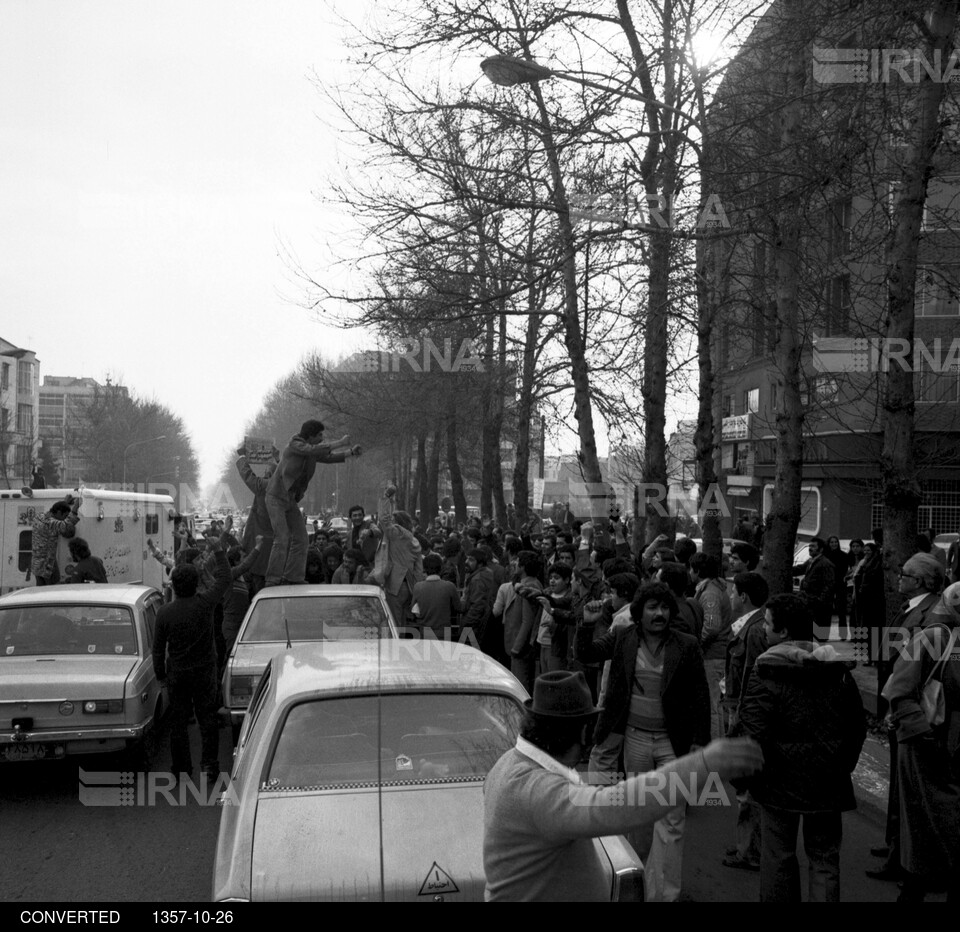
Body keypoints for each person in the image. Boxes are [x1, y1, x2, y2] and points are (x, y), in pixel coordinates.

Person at [482, 669, 764, 901]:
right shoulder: (535, 790)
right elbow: (616, 804)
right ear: (583, 731)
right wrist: (701, 765)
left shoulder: (510, 763)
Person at [574, 581, 711, 901]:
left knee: (672, 820)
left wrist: (699, 740)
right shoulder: (624, 637)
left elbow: (700, 695)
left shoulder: (687, 645)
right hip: (634, 740)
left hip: (671, 744)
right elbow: (586, 654)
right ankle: (635, 883)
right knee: (639, 817)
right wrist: (587, 624)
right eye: (652, 608)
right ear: (640, 612)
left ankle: (663, 895)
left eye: (664, 608)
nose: (659, 614)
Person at [737, 593, 866, 902]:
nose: (763, 630)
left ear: (782, 632)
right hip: (828, 781)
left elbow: (753, 731)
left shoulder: (765, 671)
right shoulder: (838, 671)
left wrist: (749, 777)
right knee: (824, 859)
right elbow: (856, 728)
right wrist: (841, 766)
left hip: (777, 781)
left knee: (778, 856)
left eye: (767, 624)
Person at [880, 580, 960, 902]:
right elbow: (899, 690)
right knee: (923, 828)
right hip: (929, 748)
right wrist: (922, 737)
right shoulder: (934, 637)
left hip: (951, 751)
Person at [867, 552, 944, 882]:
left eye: (907, 575)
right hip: (897, 698)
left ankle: (904, 856)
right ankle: (896, 844)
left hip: (911, 706)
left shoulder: (933, 613)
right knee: (899, 784)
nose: (900, 578)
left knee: (909, 786)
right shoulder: (911, 608)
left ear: (922, 582)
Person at [152, 533, 232, 781]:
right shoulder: (206, 603)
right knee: (207, 721)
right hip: (205, 672)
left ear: (173, 586)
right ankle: (210, 766)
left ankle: (181, 768)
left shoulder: (164, 613)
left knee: (178, 723)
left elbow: (157, 649)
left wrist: (161, 675)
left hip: (177, 674)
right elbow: (226, 578)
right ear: (197, 582)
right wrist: (219, 551)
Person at [264, 419, 360, 586]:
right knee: (282, 538)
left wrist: (350, 452)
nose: (322, 438)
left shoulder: (311, 452)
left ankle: (293, 577)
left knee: (302, 538)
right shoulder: (295, 444)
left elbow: (328, 457)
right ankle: (272, 579)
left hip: (290, 499)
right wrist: (341, 442)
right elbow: (313, 450)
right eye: (319, 435)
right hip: (276, 497)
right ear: (310, 436)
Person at [722, 571, 769, 872]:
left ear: (743, 597)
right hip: (740, 708)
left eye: (732, 592)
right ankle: (746, 842)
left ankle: (750, 850)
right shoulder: (749, 626)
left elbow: (754, 677)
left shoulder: (753, 631)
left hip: (745, 714)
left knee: (747, 785)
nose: (728, 597)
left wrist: (740, 717)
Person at [690, 552, 732, 740]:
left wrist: (697, 645)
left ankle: (715, 748)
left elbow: (712, 627)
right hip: (716, 655)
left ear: (697, 571)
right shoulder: (713, 588)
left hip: (712, 656)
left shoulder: (710, 594)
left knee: (712, 705)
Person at [235, 444, 279, 596]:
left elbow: (248, 476)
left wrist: (242, 457)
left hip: (260, 553)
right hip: (276, 552)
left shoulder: (266, 486)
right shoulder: (285, 488)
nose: (265, 474)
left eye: (267, 472)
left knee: (259, 595)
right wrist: (277, 458)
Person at [504, 552, 545, 693]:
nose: (515, 563)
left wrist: (516, 647)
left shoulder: (529, 585)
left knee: (520, 685)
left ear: (524, 566)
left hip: (522, 646)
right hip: (522, 643)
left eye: (518, 561)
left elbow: (528, 621)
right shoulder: (531, 582)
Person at [30, 495, 81, 585]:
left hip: (36, 564)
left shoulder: (39, 517)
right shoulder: (51, 524)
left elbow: (53, 512)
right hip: (48, 564)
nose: (64, 518)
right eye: (64, 516)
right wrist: (75, 508)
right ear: (58, 512)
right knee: (52, 590)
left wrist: (64, 503)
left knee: (40, 591)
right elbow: (66, 526)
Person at [792, 537, 835, 638]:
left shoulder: (825, 564)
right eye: (810, 546)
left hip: (818, 603)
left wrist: (821, 600)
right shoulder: (811, 561)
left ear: (821, 549)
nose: (810, 548)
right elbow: (800, 569)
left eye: (813, 546)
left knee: (819, 636)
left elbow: (829, 585)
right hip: (810, 601)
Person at [411, 553, 460, 639]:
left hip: (425, 634)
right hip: (444, 634)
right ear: (441, 569)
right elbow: (459, 607)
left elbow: (415, 611)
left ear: (424, 569)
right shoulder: (449, 586)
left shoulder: (418, 587)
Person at [825, 537, 850, 639]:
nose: (834, 544)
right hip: (829, 585)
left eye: (835, 542)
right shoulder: (825, 556)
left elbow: (845, 570)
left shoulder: (844, 555)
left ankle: (843, 634)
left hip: (840, 584)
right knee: (827, 610)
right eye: (832, 542)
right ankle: (825, 634)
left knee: (841, 610)